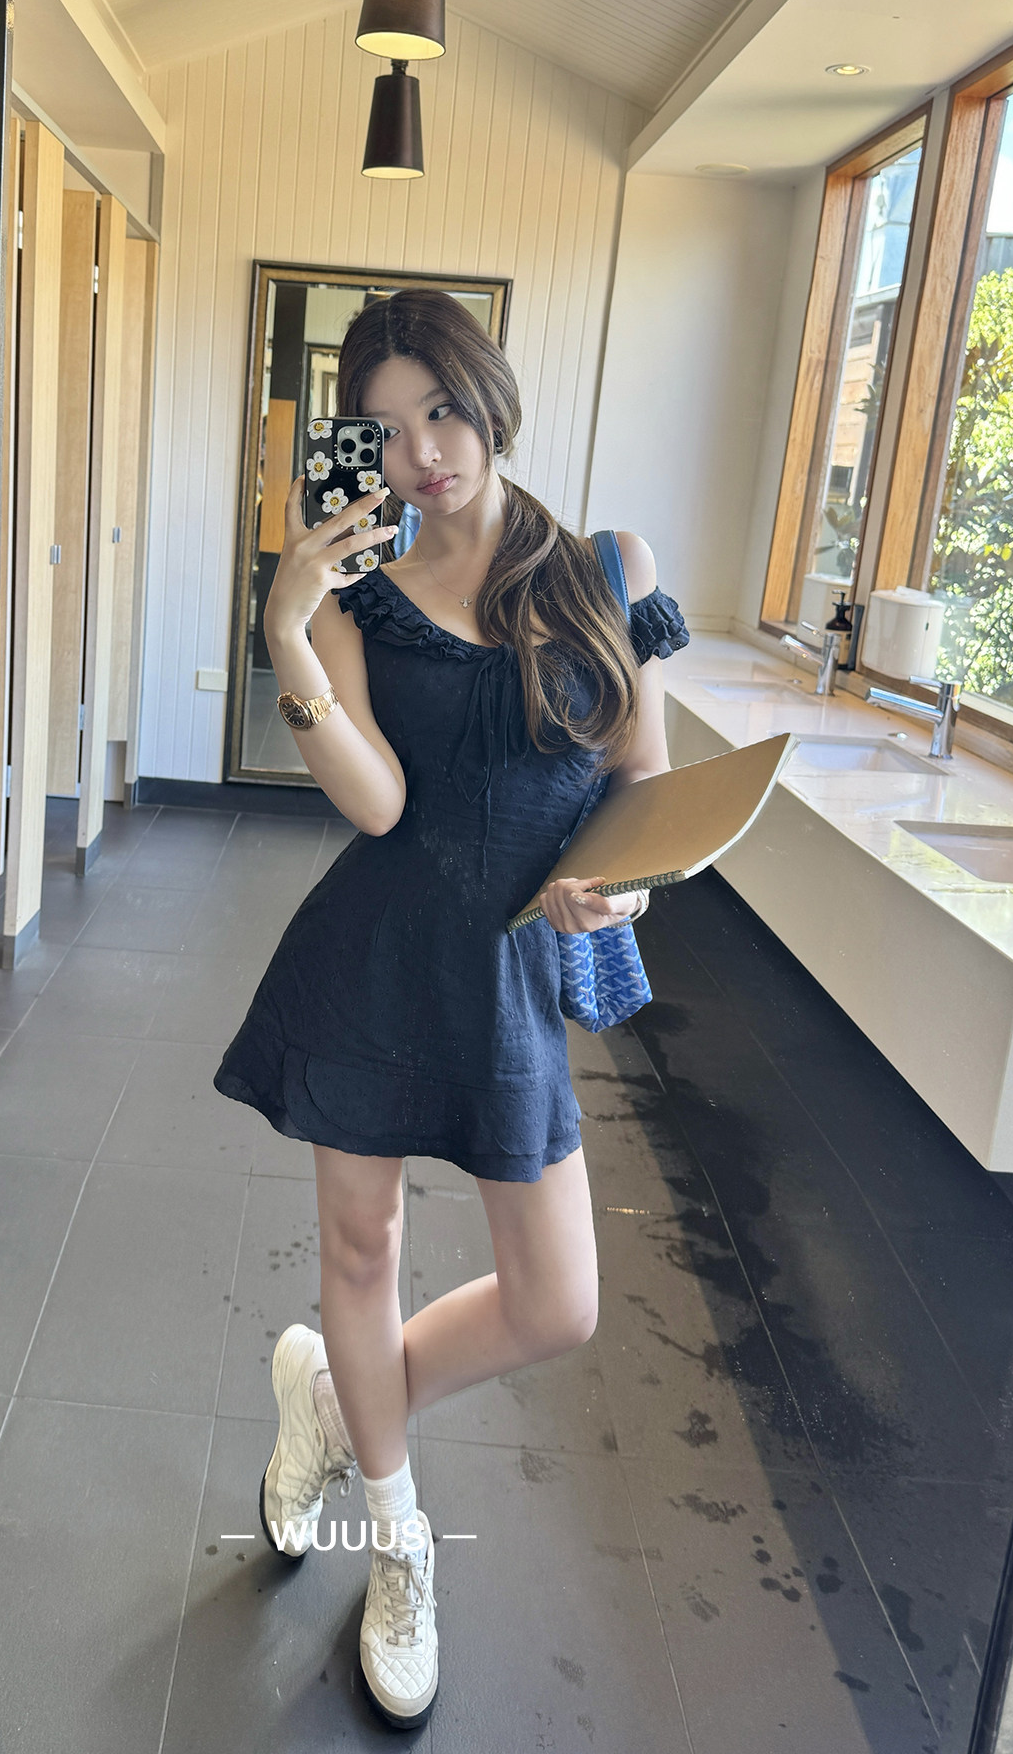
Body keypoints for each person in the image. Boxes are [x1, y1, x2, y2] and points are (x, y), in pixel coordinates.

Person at [213, 288, 689, 1730]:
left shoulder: (606, 569)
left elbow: (644, 786)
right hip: (372, 958)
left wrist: (623, 888)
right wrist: (289, 627)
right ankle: (397, 1537)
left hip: (512, 971)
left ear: (489, 399)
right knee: (362, 1252)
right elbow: (376, 804)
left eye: (441, 410)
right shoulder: (359, 595)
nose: (423, 451)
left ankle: (336, 1405)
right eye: (387, 428)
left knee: (559, 1301)